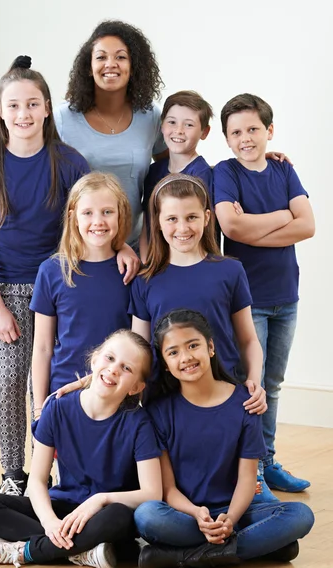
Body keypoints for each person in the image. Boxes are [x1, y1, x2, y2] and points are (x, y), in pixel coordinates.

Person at [0, 56, 90, 496]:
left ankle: (54, 471)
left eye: (32, 104)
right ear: (1, 111)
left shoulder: (70, 162)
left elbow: (89, 222)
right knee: (10, 381)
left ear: (47, 108)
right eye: (14, 105)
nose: (24, 114)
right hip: (7, 289)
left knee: (55, 382)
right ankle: (13, 472)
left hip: (60, 284)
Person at [0, 330, 162, 568]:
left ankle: (24, 551)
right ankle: (81, 553)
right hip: (63, 508)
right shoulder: (57, 408)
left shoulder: (139, 423)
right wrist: (49, 522)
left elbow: (152, 493)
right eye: (109, 358)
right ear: (94, 359)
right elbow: (37, 481)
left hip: (104, 516)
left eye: (127, 368)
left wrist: (101, 498)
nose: (114, 369)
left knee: (118, 517)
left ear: (136, 387)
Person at [134, 309, 315, 568]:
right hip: (188, 516)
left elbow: (247, 479)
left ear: (210, 347)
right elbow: (168, 489)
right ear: (164, 363)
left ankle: (184, 557)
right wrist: (197, 514)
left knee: (301, 515)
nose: (185, 358)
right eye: (173, 352)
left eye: (193, 345)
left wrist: (230, 519)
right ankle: (252, 548)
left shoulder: (245, 403)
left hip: (238, 513)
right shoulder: (158, 412)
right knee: (146, 515)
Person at [213, 93, 315, 498]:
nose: (246, 138)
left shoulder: (283, 171)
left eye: (253, 129)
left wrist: (255, 224)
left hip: (285, 295)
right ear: (226, 138)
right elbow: (232, 229)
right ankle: (246, 469)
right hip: (245, 300)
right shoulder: (225, 173)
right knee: (247, 385)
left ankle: (267, 462)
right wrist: (281, 217)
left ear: (269, 131)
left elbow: (307, 226)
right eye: (236, 132)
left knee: (272, 383)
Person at [129, 173, 266, 422]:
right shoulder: (144, 280)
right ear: (157, 222)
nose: (182, 228)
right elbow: (139, 348)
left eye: (191, 217)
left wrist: (255, 381)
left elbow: (248, 340)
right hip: (163, 401)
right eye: (172, 219)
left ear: (206, 218)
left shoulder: (230, 271)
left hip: (224, 393)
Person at [53, 20, 168, 249]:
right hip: (79, 249)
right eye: (101, 57)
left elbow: (173, 167)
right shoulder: (62, 118)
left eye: (121, 57)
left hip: (135, 248)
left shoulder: (151, 116)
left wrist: (248, 161)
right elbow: (25, 154)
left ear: (133, 66)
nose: (111, 64)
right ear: (89, 66)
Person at [30, 172, 133, 415]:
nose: (98, 221)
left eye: (107, 212)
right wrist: (38, 407)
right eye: (88, 213)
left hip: (117, 394)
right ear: (73, 217)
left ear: (121, 215)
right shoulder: (51, 271)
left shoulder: (131, 272)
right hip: (65, 393)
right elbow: (43, 347)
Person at [139, 90, 214, 260]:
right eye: (172, 122)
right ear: (161, 126)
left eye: (189, 125)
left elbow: (204, 232)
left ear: (204, 132)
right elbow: (147, 225)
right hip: (155, 264)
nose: (179, 130)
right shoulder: (154, 171)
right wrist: (145, 263)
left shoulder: (202, 175)